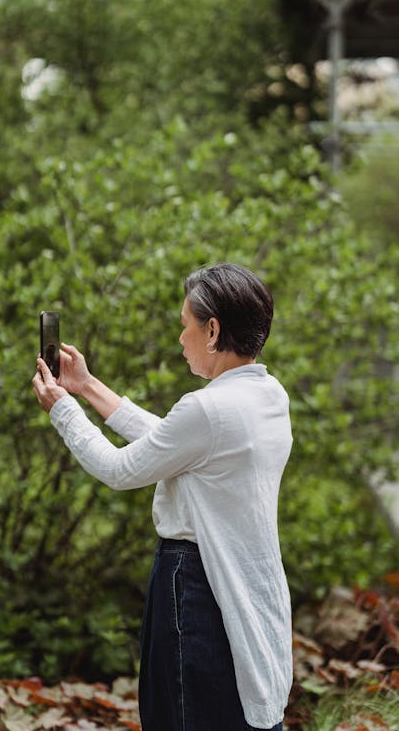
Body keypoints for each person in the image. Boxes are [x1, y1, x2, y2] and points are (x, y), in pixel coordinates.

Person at [32, 262, 293, 731]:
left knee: (186, 715)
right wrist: (87, 386)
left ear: (212, 330)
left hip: (192, 582)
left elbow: (120, 469)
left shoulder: (208, 409)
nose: (180, 339)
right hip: (241, 580)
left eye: (184, 326)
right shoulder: (269, 396)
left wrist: (62, 409)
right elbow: (176, 445)